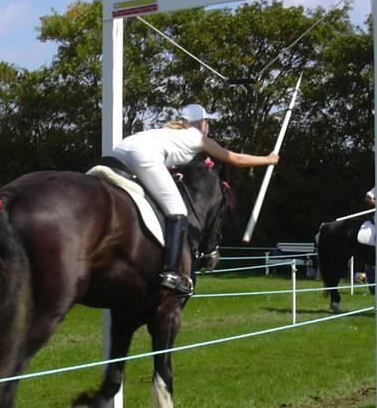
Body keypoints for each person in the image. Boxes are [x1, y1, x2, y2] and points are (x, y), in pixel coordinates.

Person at [109, 103, 278, 295]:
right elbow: (234, 159)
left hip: (118, 152)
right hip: (143, 157)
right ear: (200, 123)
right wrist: (268, 159)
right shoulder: (199, 138)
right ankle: (171, 273)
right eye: (207, 121)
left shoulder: (166, 132)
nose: (208, 126)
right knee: (178, 212)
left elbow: (157, 156)